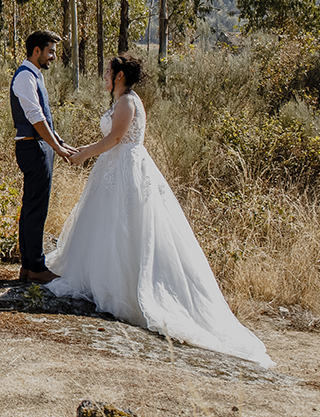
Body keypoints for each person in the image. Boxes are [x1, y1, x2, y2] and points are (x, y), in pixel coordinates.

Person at [46, 54, 273, 367]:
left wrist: (84, 153)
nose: (105, 76)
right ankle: (103, 280)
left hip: (127, 171)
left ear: (121, 75)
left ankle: (123, 289)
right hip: (115, 169)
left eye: (109, 71)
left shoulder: (127, 102)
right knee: (106, 227)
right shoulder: (122, 100)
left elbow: (115, 139)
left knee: (125, 227)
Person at [11, 30, 77, 284]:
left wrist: (60, 143)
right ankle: (36, 267)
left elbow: (44, 120)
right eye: (50, 51)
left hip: (37, 146)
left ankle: (28, 267)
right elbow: (35, 117)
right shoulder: (25, 77)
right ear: (36, 51)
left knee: (31, 208)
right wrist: (57, 149)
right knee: (36, 209)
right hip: (33, 148)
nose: (53, 57)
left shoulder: (32, 76)